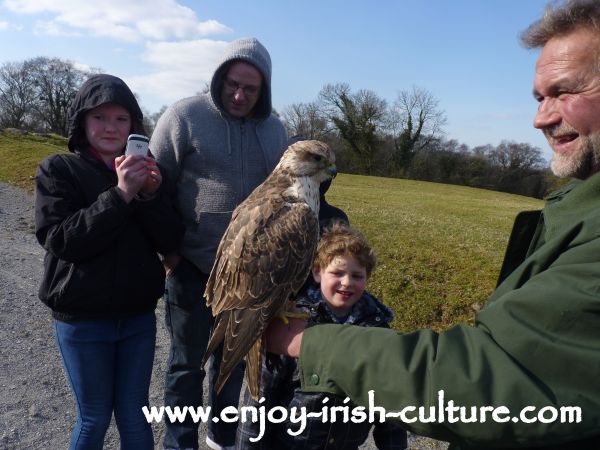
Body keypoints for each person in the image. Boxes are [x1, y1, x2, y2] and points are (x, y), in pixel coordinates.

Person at [266, 1, 600, 449]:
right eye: (540, 97)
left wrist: (309, 344)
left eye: (564, 91)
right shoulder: (575, 207)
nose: (541, 118)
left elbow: (494, 379)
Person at [150, 37, 288, 450]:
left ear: (264, 90)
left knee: (233, 364)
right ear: (218, 78)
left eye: (251, 88)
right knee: (186, 367)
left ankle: (222, 436)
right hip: (192, 267)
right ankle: (180, 442)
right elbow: (154, 189)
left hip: (249, 280)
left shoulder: (275, 129)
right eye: (232, 84)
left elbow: (285, 195)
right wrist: (169, 252)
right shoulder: (184, 116)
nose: (239, 94)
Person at [34, 74, 184, 449]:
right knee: (94, 416)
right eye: (100, 117)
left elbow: (170, 241)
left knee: (135, 413)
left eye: (121, 119)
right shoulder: (59, 170)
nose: (111, 127)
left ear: (134, 125)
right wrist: (121, 194)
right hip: (82, 319)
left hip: (136, 318)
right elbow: (61, 240)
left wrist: (149, 196)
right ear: (83, 122)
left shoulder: (149, 175)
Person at [236, 222, 407, 449]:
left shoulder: (378, 333)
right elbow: (259, 402)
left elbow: (389, 407)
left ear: (368, 278)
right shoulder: (292, 325)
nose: (347, 282)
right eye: (337, 272)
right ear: (317, 272)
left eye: (357, 275)